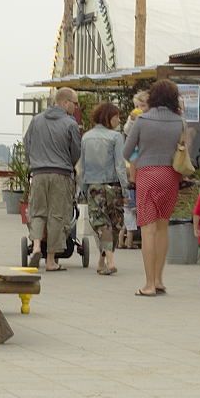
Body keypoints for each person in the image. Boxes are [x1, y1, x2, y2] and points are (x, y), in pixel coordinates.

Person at [124, 79, 184, 297]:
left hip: (147, 175)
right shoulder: (179, 121)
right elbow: (185, 148)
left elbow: (126, 150)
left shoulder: (143, 119)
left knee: (147, 230)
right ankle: (159, 279)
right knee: (162, 227)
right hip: (171, 176)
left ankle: (148, 284)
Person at [24, 87, 81, 271]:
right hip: (61, 174)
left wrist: (34, 162)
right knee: (57, 215)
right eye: (75, 103)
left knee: (38, 211)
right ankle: (50, 260)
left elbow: (27, 144)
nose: (76, 106)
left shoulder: (36, 120)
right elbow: (76, 152)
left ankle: (37, 247)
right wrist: (69, 164)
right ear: (65, 102)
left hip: (39, 173)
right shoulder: (70, 124)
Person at [79, 102, 128, 276]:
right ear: (109, 117)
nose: (119, 120)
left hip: (93, 186)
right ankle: (110, 260)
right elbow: (120, 165)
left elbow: (82, 166)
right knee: (114, 224)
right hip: (113, 185)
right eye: (117, 116)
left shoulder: (86, 137)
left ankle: (102, 261)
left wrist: (82, 188)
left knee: (101, 223)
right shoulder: (116, 137)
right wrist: (126, 189)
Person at [119, 90, 149, 249]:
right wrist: (131, 121)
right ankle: (133, 181)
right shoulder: (134, 119)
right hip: (135, 150)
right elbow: (126, 131)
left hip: (145, 152)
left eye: (142, 105)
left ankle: (134, 181)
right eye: (137, 105)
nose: (139, 108)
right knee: (133, 159)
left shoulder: (150, 119)